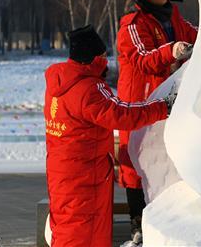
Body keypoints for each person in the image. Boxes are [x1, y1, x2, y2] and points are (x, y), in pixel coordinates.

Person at [44, 25, 174, 247]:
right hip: (86, 178)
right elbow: (121, 114)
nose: (106, 60)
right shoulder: (89, 88)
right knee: (85, 233)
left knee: (68, 229)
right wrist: (163, 107)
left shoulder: (58, 83)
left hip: (62, 174)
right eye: (103, 55)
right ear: (92, 57)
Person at [117, 0, 197, 246]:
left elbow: (192, 34)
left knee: (167, 156)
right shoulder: (133, 25)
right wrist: (171, 50)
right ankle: (137, 226)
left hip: (167, 101)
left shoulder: (172, 14)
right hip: (139, 102)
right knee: (134, 163)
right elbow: (142, 58)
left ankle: (168, 219)